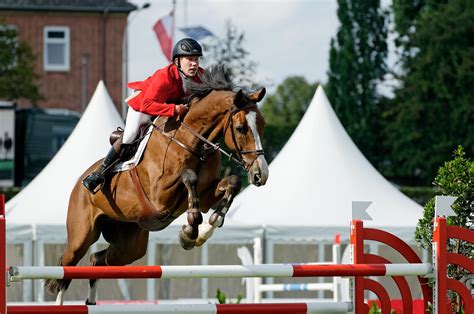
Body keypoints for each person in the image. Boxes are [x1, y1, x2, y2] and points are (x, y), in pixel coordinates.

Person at [82, 38, 205, 194]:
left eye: (196, 59)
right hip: (144, 105)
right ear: (178, 61)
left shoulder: (201, 76)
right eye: (190, 59)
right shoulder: (164, 77)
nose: (194, 64)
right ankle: (100, 173)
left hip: (168, 106)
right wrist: (173, 110)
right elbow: (147, 104)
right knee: (130, 135)